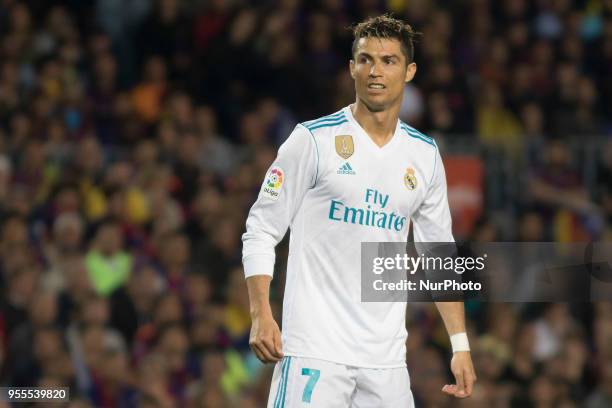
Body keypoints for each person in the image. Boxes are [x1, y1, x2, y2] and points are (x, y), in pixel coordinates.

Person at [242, 15, 476, 407]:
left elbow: (439, 254)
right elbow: (261, 229)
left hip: (385, 364)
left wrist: (460, 344)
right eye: (365, 60)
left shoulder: (424, 155)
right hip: (313, 352)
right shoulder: (313, 140)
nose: (375, 71)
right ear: (352, 68)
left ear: (410, 71)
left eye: (389, 61)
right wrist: (260, 312)